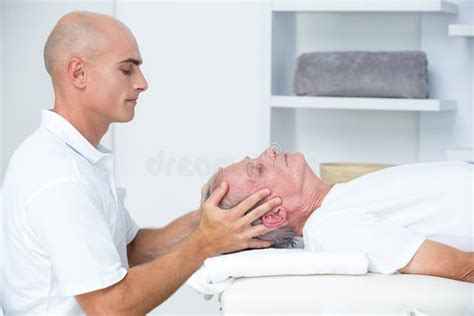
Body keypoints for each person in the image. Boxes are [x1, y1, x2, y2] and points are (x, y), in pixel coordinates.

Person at [1, 11, 285, 314]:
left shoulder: (77, 157)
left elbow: (130, 249)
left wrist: (205, 219)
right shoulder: (59, 177)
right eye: (127, 70)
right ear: (78, 73)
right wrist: (205, 242)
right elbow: (110, 308)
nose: (142, 83)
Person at [201, 147, 474, 283]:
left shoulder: (338, 201)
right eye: (258, 169)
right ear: (273, 215)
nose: (269, 151)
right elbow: (463, 267)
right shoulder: (330, 227)